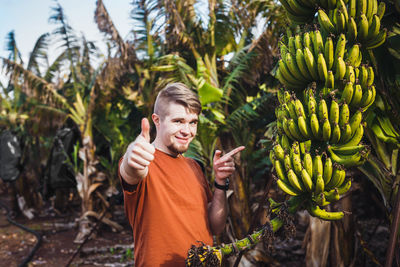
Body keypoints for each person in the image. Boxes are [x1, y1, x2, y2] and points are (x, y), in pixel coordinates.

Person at [118, 82, 245, 266]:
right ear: (157, 120)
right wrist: (133, 153)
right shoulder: (144, 162)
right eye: (178, 121)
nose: (187, 131)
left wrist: (220, 182)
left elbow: (216, 226)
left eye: (192, 122)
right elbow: (131, 169)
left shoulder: (194, 167)